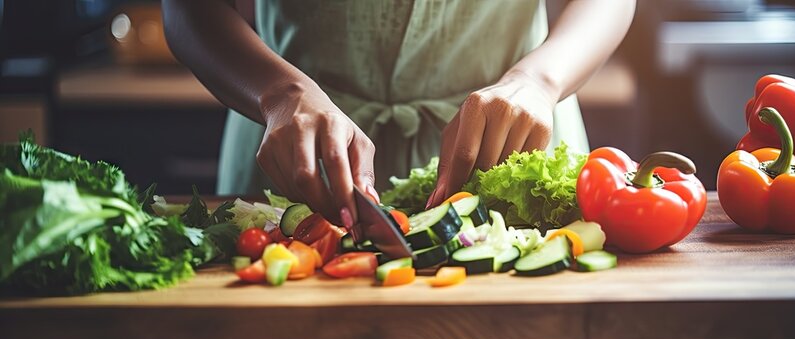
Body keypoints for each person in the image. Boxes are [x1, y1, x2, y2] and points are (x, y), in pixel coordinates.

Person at [162, 0, 636, 230]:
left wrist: (539, 81)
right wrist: (279, 94)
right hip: (294, 145)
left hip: (515, 133)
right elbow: (188, 9)